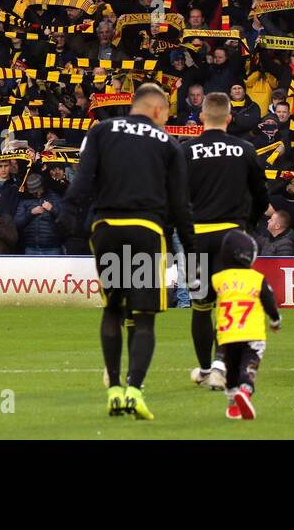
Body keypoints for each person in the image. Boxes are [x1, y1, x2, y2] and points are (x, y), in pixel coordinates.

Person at [64, 82, 192, 420]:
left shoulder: (102, 131)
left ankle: (114, 389)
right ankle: (135, 390)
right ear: (156, 110)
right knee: (144, 317)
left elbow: (82, 180)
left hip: (106, 229)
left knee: (113, 310)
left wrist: (68, 216)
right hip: (145, 232)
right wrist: (189, 248)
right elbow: (180, 204)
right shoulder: (168, 143)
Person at [181, 93, 273, 390]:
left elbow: (175, 196)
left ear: (202, 117)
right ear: (230, 118)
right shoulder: (244, 149)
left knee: (200, 306)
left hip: (196, 237)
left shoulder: (186, 150)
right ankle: (222, 363)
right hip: (232, 237)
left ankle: (208, 368)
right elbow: (261, 195)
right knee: (230, 301)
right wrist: (248, 224)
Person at [211, 230, 281, 420]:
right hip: (253, 334)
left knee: (231, 372)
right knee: (248, 368)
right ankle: (245, 390)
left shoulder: (218, 279)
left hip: (227, 336)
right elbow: (269, 302)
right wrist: (275, 320)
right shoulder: (257, 278)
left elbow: (206, 297)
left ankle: (233, 404)